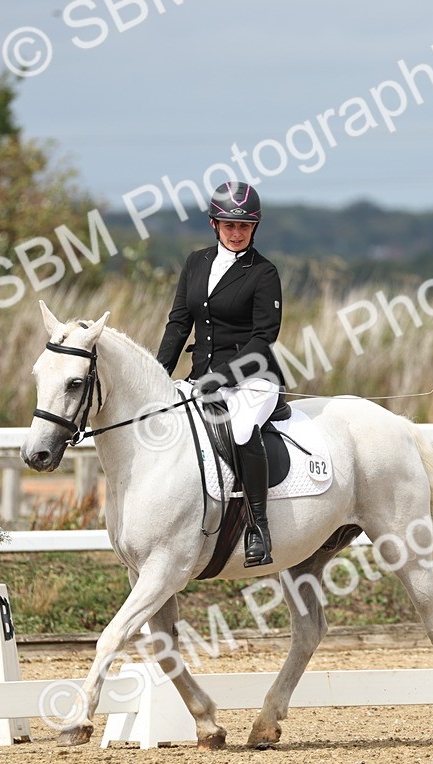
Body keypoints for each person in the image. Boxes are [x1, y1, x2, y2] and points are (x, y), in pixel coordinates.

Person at [156, 181, 286, 568]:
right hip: (200, 377)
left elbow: (265, 338)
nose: (236, 233)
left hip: (254, 377)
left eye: (244, 227)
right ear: (214, 224)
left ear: (254, 228)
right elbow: (179, 323)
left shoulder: (264, 273)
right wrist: (158, 377)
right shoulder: (196, 262)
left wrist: (224, 377)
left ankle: (258, 527)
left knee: (243, 428)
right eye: (229, 225)